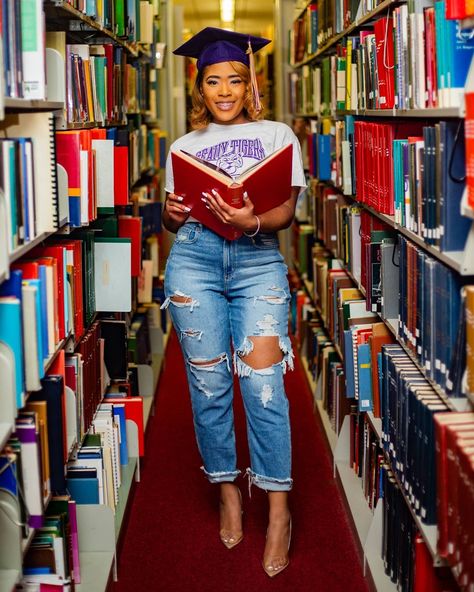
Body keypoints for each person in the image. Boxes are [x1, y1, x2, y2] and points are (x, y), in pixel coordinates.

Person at [161, 27, 306, 577]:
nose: (225, 91)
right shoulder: (182, 146)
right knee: (208, 384)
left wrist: (252, 221)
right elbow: (177, 216)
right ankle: (225, 490)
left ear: (251, 85)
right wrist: (171, 217)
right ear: (199, 86)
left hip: (257, 259)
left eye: (235, 81)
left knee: (265, 388)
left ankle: (277, 510)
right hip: (194, 261)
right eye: (213, 81)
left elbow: (285, 213)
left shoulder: (278, 136)